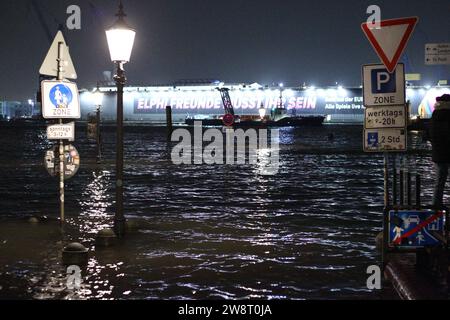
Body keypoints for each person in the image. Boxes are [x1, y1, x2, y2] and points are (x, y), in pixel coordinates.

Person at [431, 94, 450, 207]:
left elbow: (430, 133)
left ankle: (436, 206)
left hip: (438, 153)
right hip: (447, 151)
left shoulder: (435, 114)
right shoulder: (448, 115)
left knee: (439, 182)